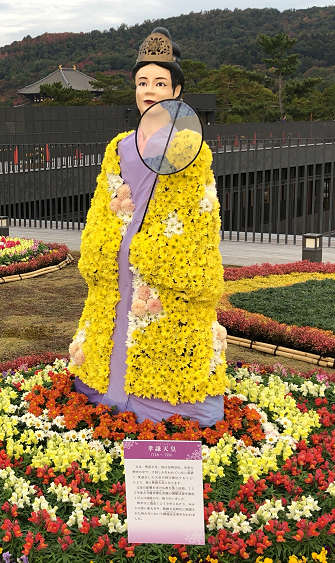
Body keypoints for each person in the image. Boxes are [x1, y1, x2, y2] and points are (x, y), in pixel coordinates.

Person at [67, 27, 227, 426]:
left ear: (176, 92)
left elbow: (196, 212)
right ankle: (108, 395)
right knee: (111, 327)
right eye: (142, 82)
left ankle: (162, 404)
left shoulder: (191, 148)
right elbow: (104, 205)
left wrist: (151, 250)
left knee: (162, 331)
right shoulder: (119, 146)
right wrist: (103, 248)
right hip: (118, 265)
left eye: (159, 82)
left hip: (160, 267)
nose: (149, 90)